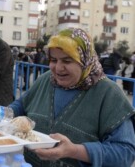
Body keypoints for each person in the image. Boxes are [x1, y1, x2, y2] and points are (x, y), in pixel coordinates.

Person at [10, 28, 135, 167]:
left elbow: (125, 153)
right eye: (53, 60)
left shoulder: (109, 94)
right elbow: (21, 105)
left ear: (85, 60)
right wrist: (3, 113)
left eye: (67, 61)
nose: (58, 68)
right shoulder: (46, 80)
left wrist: (75, 151)